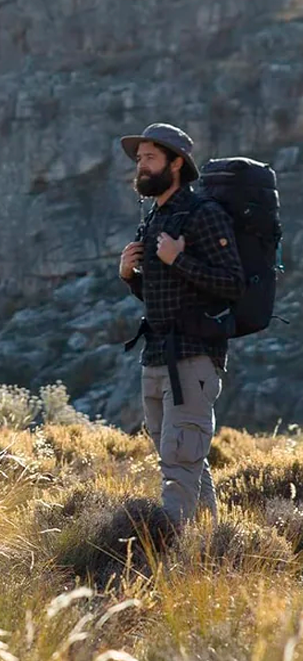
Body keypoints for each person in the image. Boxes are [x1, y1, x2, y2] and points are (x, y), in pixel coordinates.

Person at [118, 123, 243, 526]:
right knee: (182, 457)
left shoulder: (203, 215)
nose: (141, 166)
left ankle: (167, 554)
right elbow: (162, 295)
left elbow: (232, 284)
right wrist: (130, 277)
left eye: (150, 158)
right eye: (140, 159)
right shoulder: (154, 219)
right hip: (156, 357)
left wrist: (178, 260)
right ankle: (210, 542)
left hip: (193, 359)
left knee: (179, 461)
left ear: (176, 163)